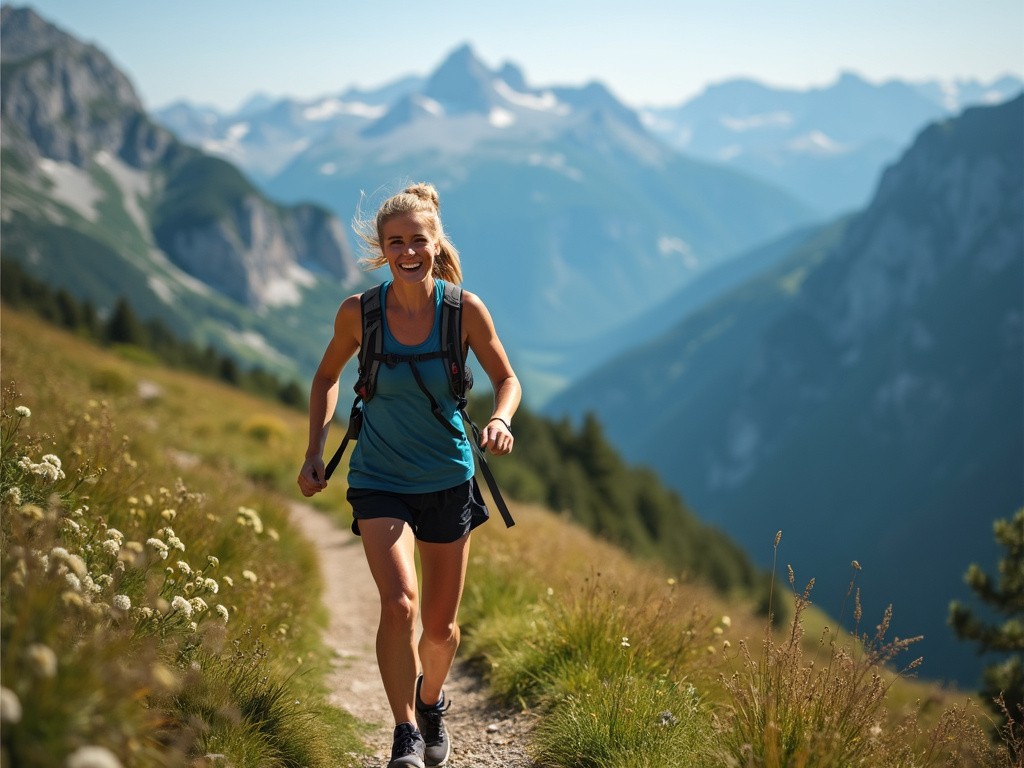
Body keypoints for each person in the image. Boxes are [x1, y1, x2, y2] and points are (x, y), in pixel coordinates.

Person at [296, 182, 521, 768]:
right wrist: (314, 450)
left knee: (442, 632)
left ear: (434, 242)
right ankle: (403, 731)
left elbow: (508, 379)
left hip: (448, 476)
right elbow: (325, 379)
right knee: (399, 605)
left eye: (417, 240)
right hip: (379, 477)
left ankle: (431, 700)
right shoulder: (359, 313)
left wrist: (500, 421)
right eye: (395, 242)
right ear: (381, 248)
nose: (407, 251)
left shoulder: (463, 311)